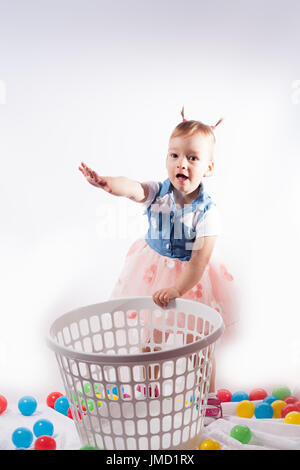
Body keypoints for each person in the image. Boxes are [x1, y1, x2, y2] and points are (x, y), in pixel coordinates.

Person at [78, 107, 239, 419]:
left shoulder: (208, 213)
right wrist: (108, 184)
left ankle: (207, 398)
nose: (182, 163)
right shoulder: (158, 192)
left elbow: (199, 262)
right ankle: (149, 391)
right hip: (151, 271)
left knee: (198, 345)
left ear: (208, 167)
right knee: (152, 337)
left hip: (191, 280)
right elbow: (134, 188)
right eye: (175, 155)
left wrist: (177, 289)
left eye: (192, 158)